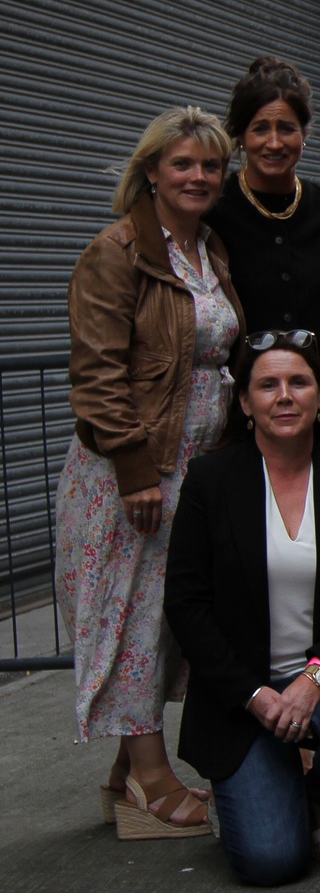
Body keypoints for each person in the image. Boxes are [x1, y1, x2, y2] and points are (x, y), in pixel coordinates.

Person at [58, 107, 245, 840]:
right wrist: (136, 470)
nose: (198, 177)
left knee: (167, 616)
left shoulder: (208, 250)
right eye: (182, 165)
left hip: (193, 463)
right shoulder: (118, 251)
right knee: (134, 614)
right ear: (151, 173)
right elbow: (97, 373)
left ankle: (126, 771)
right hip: (133, 470)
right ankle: (150, 775)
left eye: (209, 166)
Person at [164, 330, 320, 884]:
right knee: (271, 863)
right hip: (242, 695)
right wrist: (252, 694)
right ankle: (264, 784)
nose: (284, 396)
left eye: (299, 382)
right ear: (245, 403)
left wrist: (314, 678)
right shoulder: (209, 482)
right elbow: (186, 603)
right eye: (267, 385)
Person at [209, 57, 320, 387]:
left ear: (304, 135)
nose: (274, 143)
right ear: (240, 136)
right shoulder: (213, 211)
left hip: (319, 395)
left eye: (286, 129)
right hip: (240, 396)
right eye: (260, 129)